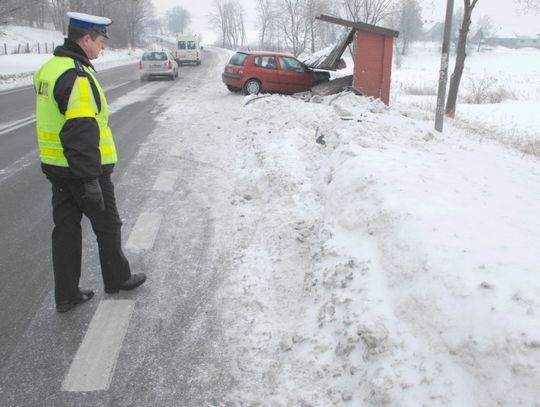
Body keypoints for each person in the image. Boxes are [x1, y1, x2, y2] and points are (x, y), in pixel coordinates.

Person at [33, 12, 146, 313]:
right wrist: (90, 179)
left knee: (66, 230)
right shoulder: (77, 74)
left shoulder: (50, 68)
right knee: (108, 225)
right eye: (100, 41)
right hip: (83, 171)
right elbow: (80, 132)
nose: (103, 47)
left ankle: (66, 295)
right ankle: (117, 279)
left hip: (56, 168)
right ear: (85, 39)